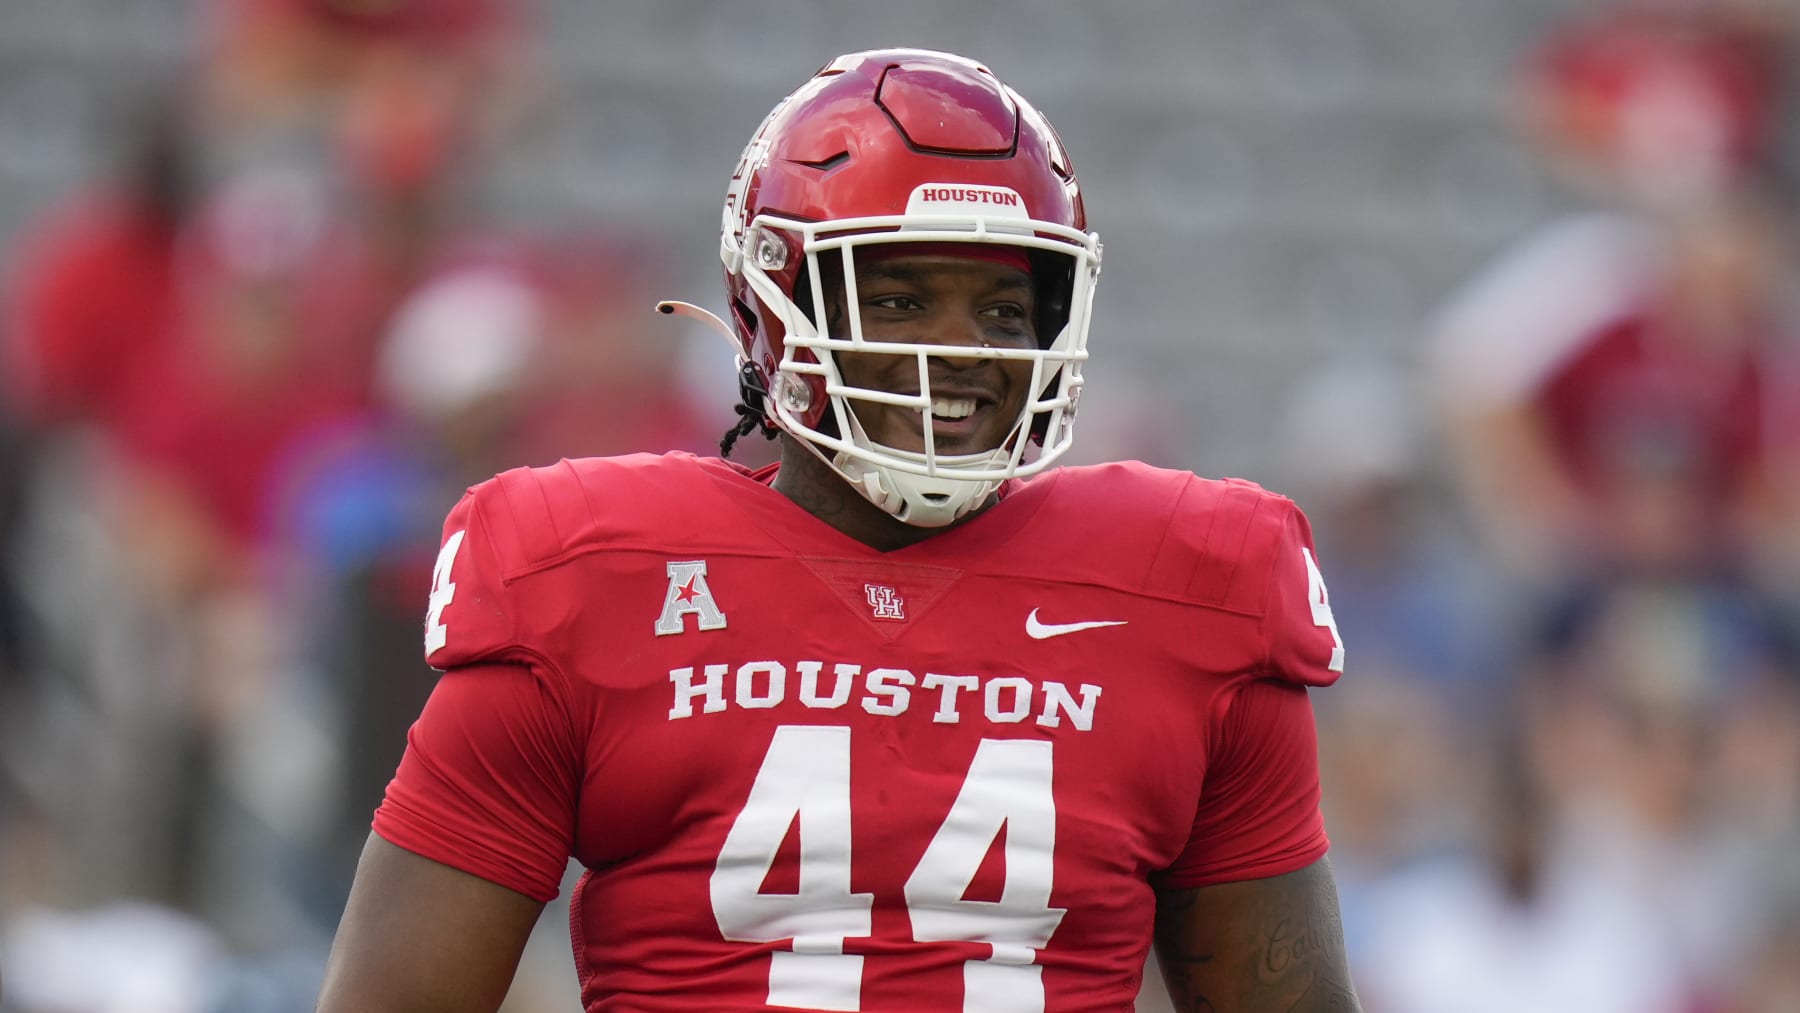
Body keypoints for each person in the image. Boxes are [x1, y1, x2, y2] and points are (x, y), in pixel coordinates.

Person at [317, 48, 1362, 1012]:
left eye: (1003, 313)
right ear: (773, 307)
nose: (961, 352)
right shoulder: (592, 573)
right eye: (899, 301)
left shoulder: (1192, 588)